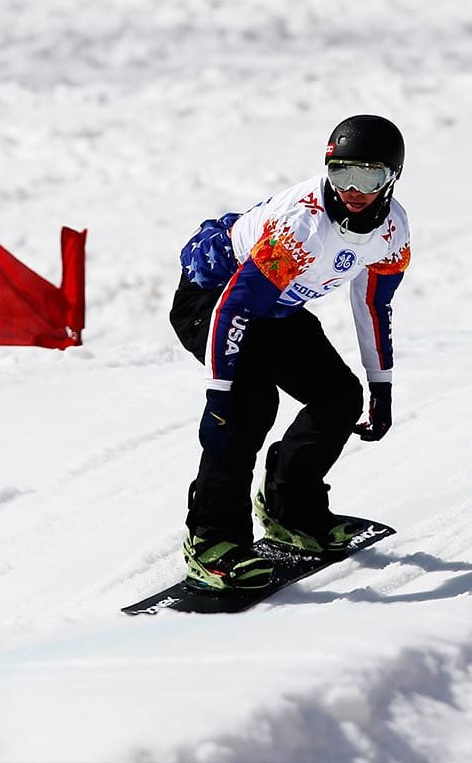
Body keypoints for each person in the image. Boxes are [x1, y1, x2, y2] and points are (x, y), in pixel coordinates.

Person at [168, 114, 411, 590]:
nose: (353, 189)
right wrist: (220, 392)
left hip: (275, 305)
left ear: (392, 179)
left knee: (339, 397)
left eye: (369, 176)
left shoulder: (392, 232)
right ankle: (212, 541)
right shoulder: (301, 228)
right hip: (212, 298)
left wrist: (380, 384)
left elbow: (372, 303)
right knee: (247, 407)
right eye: (341, 173)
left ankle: (291, 512)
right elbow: (235, 308)